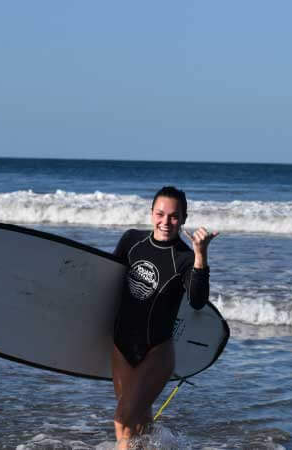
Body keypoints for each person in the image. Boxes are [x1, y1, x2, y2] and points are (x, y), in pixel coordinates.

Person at [111, 186, 218, 447]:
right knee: (139, 423)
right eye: (160, 214)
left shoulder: (185, 258)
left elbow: (198, 300)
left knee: (123, 421)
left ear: (183, 219)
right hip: (121, 347)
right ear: (151, 214)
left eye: (173, 216)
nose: (166, 222)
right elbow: (107, 281)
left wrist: (201, 254)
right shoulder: (131, 241)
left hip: (156, 352)